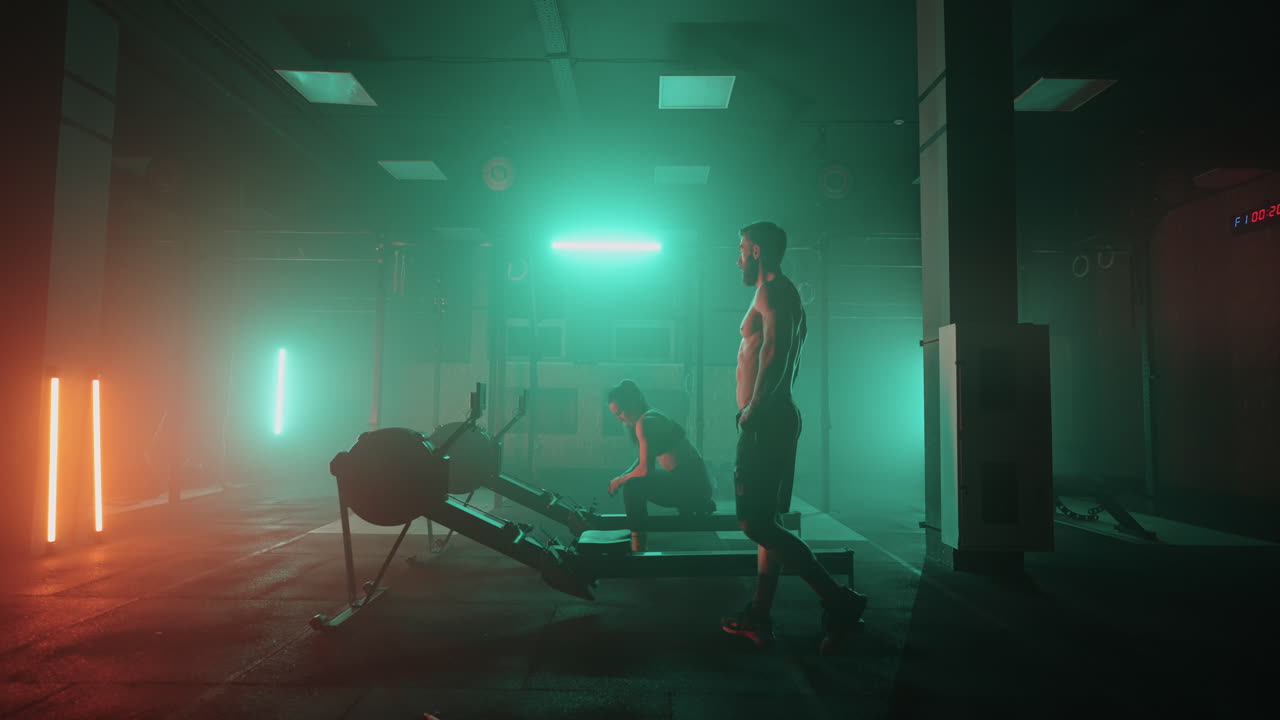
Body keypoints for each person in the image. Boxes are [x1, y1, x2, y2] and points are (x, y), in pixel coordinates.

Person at [720, 221, 868, 654]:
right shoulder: (778, 293)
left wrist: (754, 408)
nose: (737, 259)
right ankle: (759, 615)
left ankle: (839, 601)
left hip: (767, 419)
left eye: (742, 249)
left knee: (754, 523)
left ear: (757, 251)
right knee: (771, 523)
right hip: (774, 417)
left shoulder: (773, 291)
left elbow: (775, 351)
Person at [606, 379, 716, 552]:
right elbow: (642, 459)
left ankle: (638, 546)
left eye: (619, 412)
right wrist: (621, 477)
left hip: (691, 484)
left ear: (632, 403)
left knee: (633, 487)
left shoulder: (645, 423)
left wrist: (620, 481)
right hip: (697, 483)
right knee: (632, 481)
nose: (619, 419)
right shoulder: (652, 415)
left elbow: (645, 470)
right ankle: (697, 504)